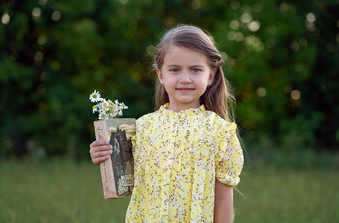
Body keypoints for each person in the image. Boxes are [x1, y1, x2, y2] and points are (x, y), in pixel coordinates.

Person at [90, 25, 244, 223]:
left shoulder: (220, 132)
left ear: (211, 76)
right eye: (175, 70)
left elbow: (223, 200)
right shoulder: (142, 128)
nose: (185, 79)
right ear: (161, 75)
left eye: (196, 69)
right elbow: (121, 176)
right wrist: (102, 154)